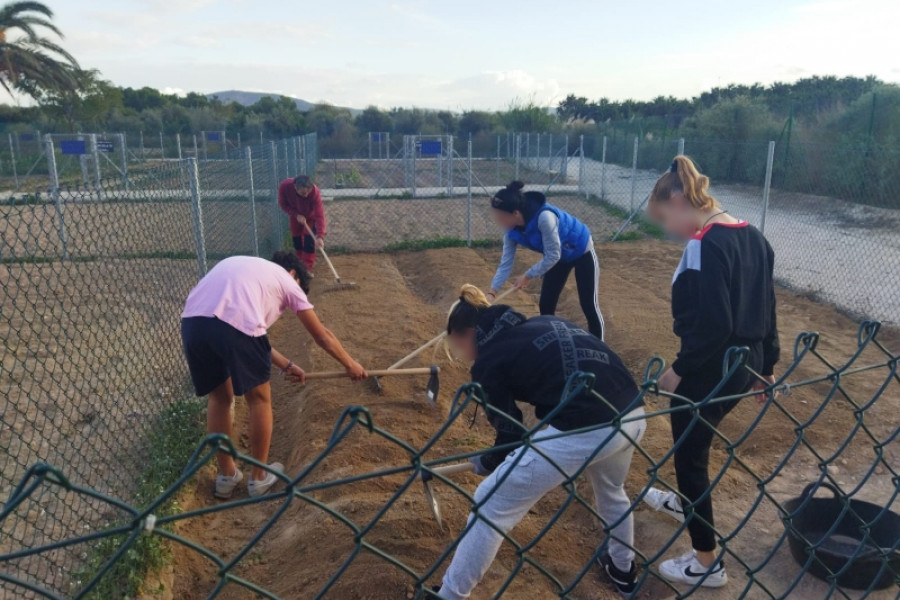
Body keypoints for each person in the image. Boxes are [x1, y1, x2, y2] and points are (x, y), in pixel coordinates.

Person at [433, 285, 646, 599]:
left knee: (489, 502)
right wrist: (494, 457)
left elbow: (511, 436)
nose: (464, 355)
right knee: (612, 491)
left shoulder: (488, 361)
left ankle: (450, 595)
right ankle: (622, 569)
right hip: (632, 413)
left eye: (459, 345)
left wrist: (487, 462)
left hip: (585, 426)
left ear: (467, 333)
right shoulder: (543, 322)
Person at [643, 156, 779, 589]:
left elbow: (714, 324)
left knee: (690, 454)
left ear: (680, 199)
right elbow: (769, 308)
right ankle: (686, 502)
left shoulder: (704, 243)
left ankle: (706, 563)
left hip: (712, 366)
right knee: (692, 443)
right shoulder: (755, 237)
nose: (669, 230)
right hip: (747, 362)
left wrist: (678, 370)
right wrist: (768, 366)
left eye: (666, 218)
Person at [180, 252, 367, 499]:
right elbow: (321, 335)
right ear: (294, 274)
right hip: (231, 327)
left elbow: (246, 332)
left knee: (220, 399)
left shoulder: (247, 268)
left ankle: (226, 476)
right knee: (259, 400)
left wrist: (286, 364)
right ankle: (258, 479)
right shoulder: (288, 280)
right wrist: (350, 364)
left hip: (193, 324)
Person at [487, 181, 605, 340]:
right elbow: (506, 264)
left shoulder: (544, 218)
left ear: (515, 213)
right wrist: (492, 292)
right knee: (546, 305)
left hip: (581, 249)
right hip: (558, 258)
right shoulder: (510, 232)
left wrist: (528, 275)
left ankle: (600, 344)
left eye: (501, 217)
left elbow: (553, 254)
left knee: (589, 305)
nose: (498, 221)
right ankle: (555, 345)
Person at [278, 175, 326, 272]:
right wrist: (295, 214)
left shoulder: (314, 192)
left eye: (308, 192)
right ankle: (300, 264)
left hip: (310, 217)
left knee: (309, 241)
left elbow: (319, 215)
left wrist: (320, 236)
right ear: (295, 187)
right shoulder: (284, 187)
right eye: (303, 193)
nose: (307, 195)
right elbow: (283, 204)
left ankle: (306, 269)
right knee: (297, 240)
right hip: (295, 215)